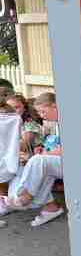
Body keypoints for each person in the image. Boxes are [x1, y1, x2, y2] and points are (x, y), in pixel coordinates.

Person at [0, 92, 64, 227]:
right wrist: (44, 150)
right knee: (23, 166)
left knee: (38, 161)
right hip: (58, 162)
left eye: (43, 111)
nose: (41, 115)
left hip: (77, 163)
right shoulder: (57, 124)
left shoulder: (68, 121)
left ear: (54, 106)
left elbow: (71, 150)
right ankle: (47, 207)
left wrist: (45, 153)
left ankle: (25, 197)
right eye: (39, 112)